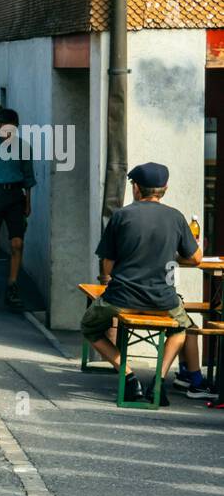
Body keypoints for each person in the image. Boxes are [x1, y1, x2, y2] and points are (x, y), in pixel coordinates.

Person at [81, 162, 205, 405]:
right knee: (181, 328)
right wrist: (172, 257)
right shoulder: (177, 217)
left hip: (121, 299)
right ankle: (158, 380)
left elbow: (107, 265)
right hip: (162, 300)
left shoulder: (120, 216)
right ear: (165, 188)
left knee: (89, 327)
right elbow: (197, 258)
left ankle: (128, 376)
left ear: (136, 188)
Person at [0, 109, 33, 311]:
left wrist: (28, 203)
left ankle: (12, 284)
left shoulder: (24, 148)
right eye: (4, 126)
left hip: (14, 196)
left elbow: (28, 178)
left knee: (17, 243)